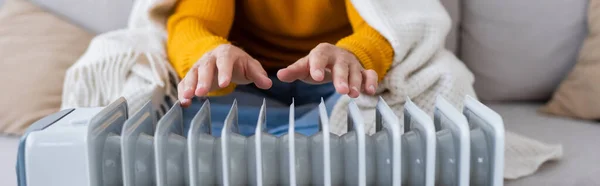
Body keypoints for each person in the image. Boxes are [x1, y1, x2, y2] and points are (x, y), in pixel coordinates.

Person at [167, 0, 393, 136]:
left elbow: (384, 22)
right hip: (247, 81)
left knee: (373, 100)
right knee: (187, 111)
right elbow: (193, 22)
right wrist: (211, 54)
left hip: (331, 80)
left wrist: (353, 55)